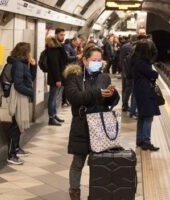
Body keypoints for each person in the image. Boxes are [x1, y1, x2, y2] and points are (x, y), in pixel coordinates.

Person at [63, 45, 119, 200]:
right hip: (81, 124)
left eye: (99, 60)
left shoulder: (104, 77)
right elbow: (74, 98)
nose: (97, 63)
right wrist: (96, 93)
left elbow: (112, 100)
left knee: (98, 163)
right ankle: (74, 192)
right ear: (85, 60)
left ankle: (96, 193)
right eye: (94, 60)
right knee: (78, 162)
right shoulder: (74, 76)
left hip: (100, 125)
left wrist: (112, 95)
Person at [7, 42, 37, 165]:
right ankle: (11, 154)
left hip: (22, 96)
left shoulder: (23, 63)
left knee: (17, 124)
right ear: (25, 52)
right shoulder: (18, 64)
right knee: (15, 125)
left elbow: (31, 78)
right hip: (18, 97)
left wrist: (33, 66)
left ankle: (17, 149)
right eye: (29, 51)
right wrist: (31, 93)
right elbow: (19, 85)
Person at [132, 40, 160, 151]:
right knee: (148, 117)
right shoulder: (142, 62)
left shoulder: (136, 60)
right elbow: (153, 74)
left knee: (142, 116)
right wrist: (155, 73)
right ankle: (146, 142)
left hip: (139, 91)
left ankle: (139, 140)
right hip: (145, 92)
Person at [46, 28, 68, 126]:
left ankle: (54, 115)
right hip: (55, 78)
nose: (63, 37)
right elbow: (54, 65)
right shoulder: (52, 47)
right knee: (52, 98)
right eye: (61, 35)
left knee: (55, 98)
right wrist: (58, 79)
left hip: (58, 76)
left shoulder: (58, 46)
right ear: (56, 35)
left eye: (64, 35)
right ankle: (51, 118)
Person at [63, 36, 82, 106]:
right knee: (68, 85)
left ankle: (67, 100)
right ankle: (65, 100)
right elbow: (66, 58)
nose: (77, 45)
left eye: (78, 43)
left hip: (72, 68)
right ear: (73, 41)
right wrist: (76, 57)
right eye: (76, 43)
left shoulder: (73, 47)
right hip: (68, 69)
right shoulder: (67, 47)